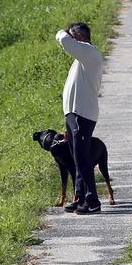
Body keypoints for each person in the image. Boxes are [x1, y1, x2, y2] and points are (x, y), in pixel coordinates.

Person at [56, 24, 103, 213]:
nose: (71, 40)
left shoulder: (89, 53)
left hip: (83, 114)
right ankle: (80, 196)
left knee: (82, 158)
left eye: (74, 37)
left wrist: (64, 33)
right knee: (77, 158)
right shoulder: (82, 58)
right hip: (75, 114)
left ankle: (93, 201)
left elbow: (64, 40)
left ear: (81, 38)